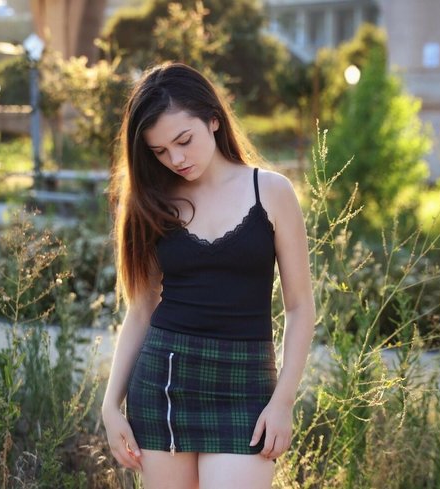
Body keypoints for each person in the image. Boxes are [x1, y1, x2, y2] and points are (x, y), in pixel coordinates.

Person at [102, 61, 316, 489]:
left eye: (184, 140)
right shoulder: (152, 201)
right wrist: (110, 406)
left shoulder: (271, 191)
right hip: (163, 383)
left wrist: (283, 401)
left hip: (246, 384)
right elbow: (141, 309)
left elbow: (300, 307)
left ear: (213, 119)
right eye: (159, 151)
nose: (176, 159)